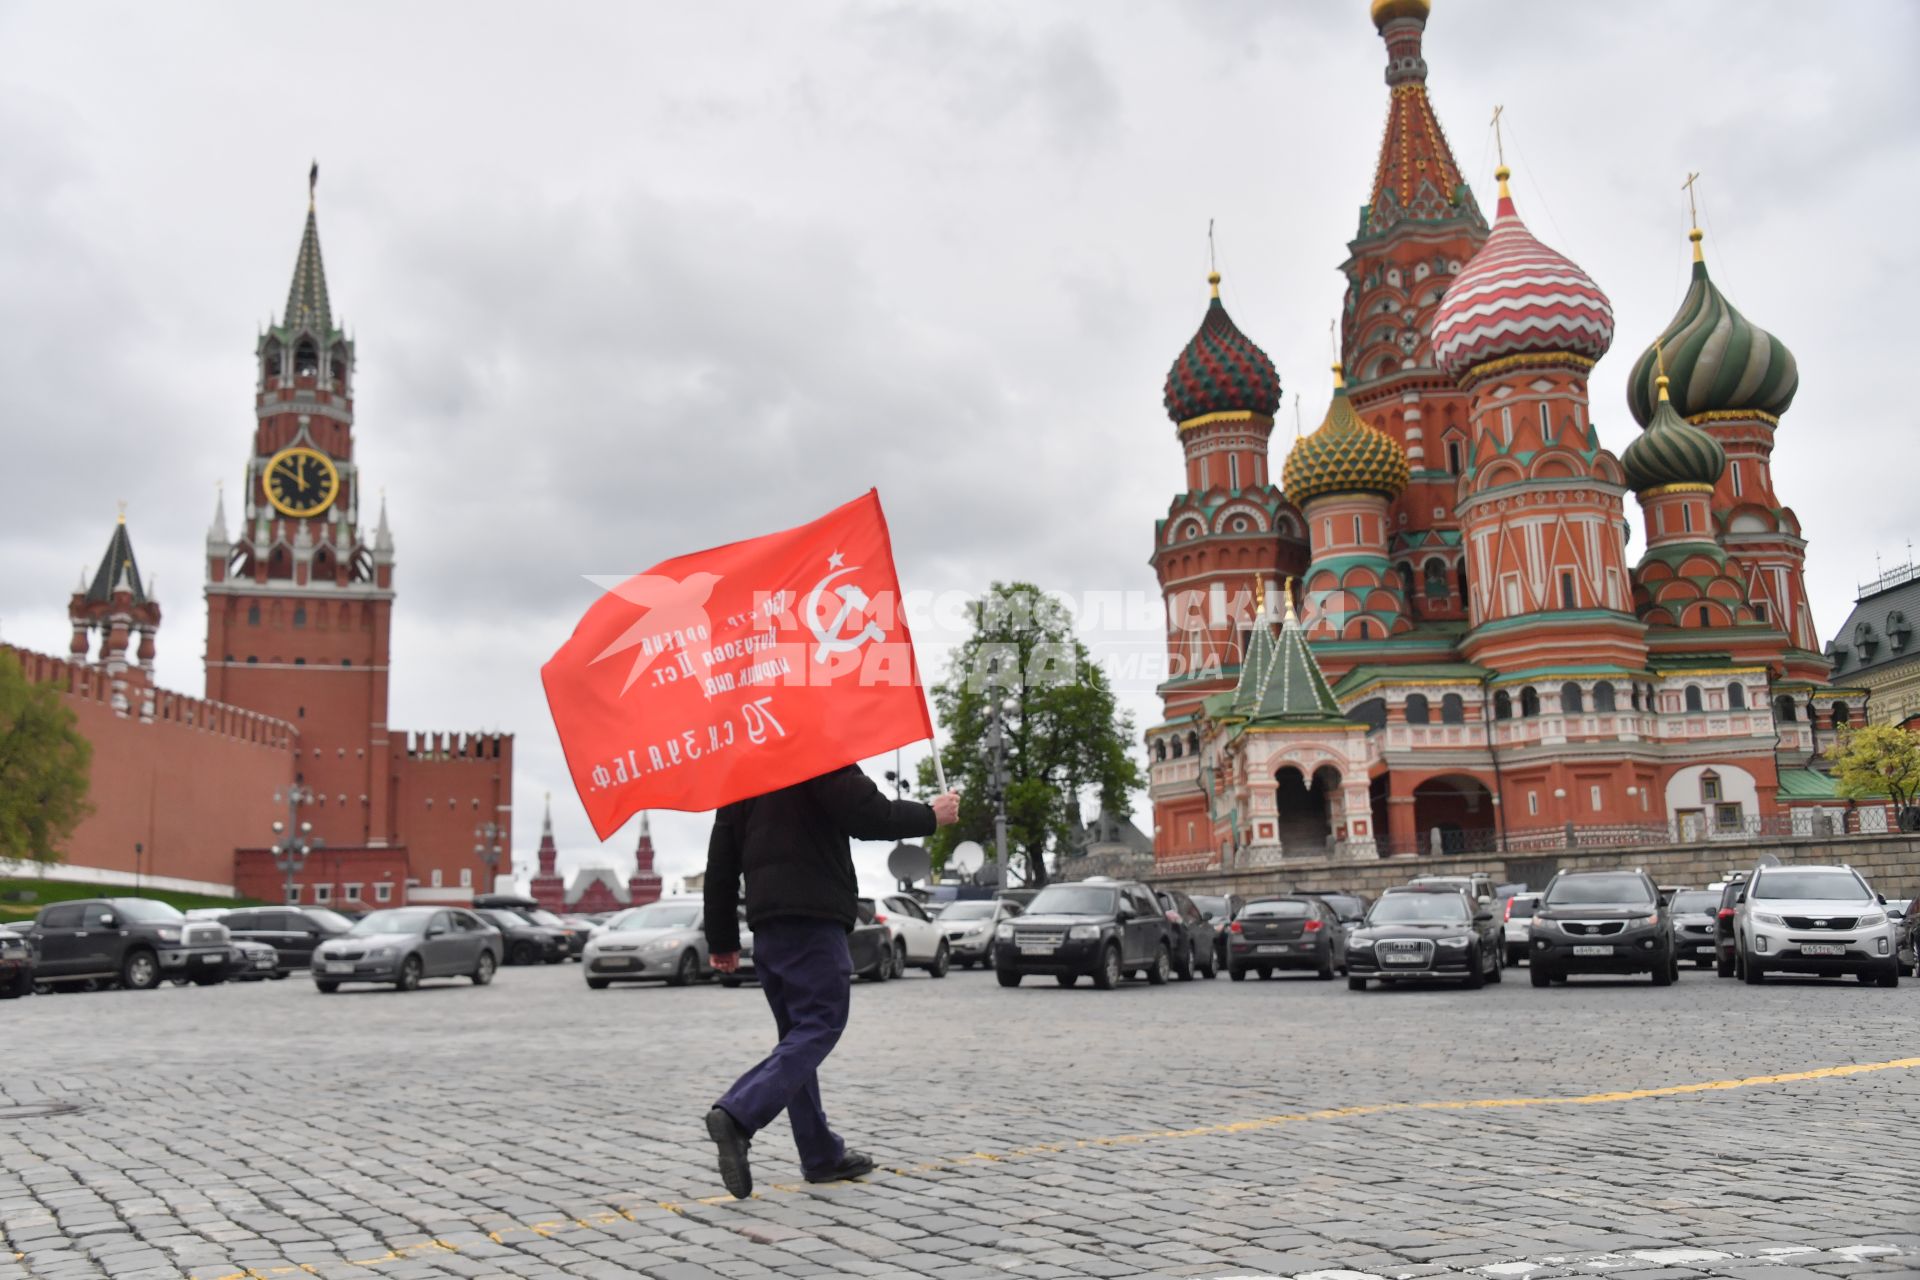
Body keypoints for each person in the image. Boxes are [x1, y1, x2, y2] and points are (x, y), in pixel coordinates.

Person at [702, 764, 959, 1198]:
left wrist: (723, 938)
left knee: (796, 1040)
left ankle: (820, 1155)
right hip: (814, 919)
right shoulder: (815, 750)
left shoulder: (739, 770)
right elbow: (869, 815)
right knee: (821, 1024)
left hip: (768, 927)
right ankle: (739, 1112)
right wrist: (931, 815)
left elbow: (720, 865)